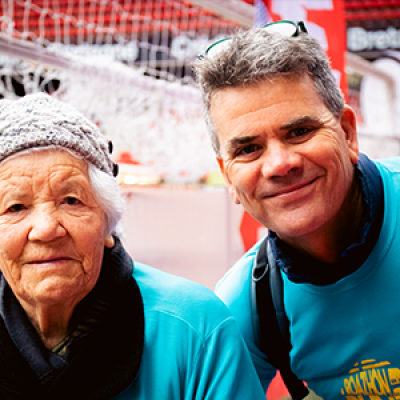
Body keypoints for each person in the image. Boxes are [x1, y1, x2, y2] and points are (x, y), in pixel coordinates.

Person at [0, 92, 266, 400]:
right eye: (16, 207)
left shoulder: (194, 327)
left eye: (71, 201)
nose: (46, 229)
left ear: (108, 225)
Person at [194, 21, 400, 400]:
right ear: (228, 177)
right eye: (247, 149)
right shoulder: (248, 303)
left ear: (348, 133)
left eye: (299, 132)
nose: (279, 164)